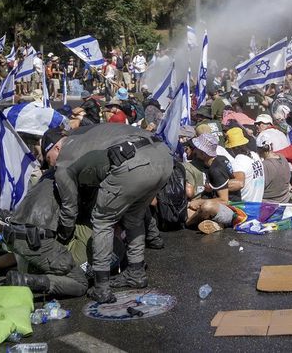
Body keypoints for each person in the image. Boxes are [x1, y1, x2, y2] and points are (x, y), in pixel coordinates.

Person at [45, 124, 173, 303]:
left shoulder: (63, 162)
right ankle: (136, 273)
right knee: (134, 217)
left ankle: (102, 287)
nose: (49, 164)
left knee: (103, 221)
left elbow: (69, 209)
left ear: (56, 147)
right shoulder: (85, 134)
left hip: (134, 163)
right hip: (164, 156)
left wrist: (63, 237)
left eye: (46, 157)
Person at [185, 133, 244, 234]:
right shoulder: (222, 158)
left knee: (206, 207)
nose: (195, 151)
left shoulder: (216, 170)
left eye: (197, 149)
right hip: (227, 203)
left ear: (204, 153)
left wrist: (199, 202)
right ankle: (215, 224)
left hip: (232, 208)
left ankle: (189, 223)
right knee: (186, 209)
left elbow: (224, 200)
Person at [225, 127, 265, 202]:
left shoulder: (239, 161)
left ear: (233, 148)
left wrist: (217, 186)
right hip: (257, 203)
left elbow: (239, 183)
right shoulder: (255, 155)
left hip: (244, 206)